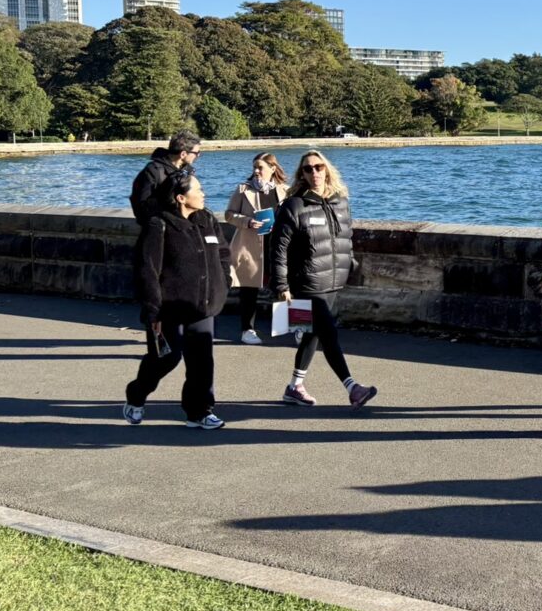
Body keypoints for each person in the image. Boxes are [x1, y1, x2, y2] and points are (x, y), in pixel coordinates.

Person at [124, 170, 230, 430]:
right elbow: (147, 269)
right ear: (181, 198)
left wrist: (223, 282)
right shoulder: (158, 224)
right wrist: (153, 312)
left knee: (202, 360)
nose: (204, 194)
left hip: (203, 304)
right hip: (168, 308)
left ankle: (199, 411)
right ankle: (136, 395)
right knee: (165, 358)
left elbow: (224, 253)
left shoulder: (206, 219)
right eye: (198, 190)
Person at [272, 149, 377, 408]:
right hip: (306, 282)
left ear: (327, 169)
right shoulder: (294, 205)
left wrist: (349, 265)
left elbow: (346, 239)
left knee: (312, 335)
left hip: (332, 280)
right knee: (328, 333)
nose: (314, 172)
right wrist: (281, 285)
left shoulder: (340, 202)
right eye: (308, 169)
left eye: (319, 167)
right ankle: (352, 387)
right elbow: (278, 248)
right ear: (302, 175)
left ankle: (294, 387)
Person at [225, 152, 289, 344]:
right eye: (254, 167)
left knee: (283, 285)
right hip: (251, 246)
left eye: (260, 167)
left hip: (276, 245)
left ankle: (286, 326)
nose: (256, 171)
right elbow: (229, 214)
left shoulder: (285, 190)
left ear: (272, 169)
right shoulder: (243, 189)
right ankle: (247, 330)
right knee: (249, 289)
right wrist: (247, 221)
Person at [129, 130, 201, 226]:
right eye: (196, 153)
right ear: (183, 154)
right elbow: (140, 206)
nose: (198, 155)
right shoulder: (153, 171)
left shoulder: (188, 171)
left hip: (185, 226)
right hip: (160, 227)